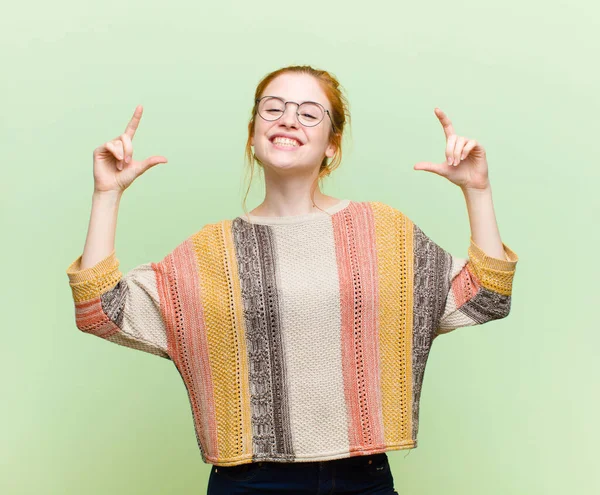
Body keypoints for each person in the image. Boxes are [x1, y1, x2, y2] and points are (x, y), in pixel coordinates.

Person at [65, 65, 519, 494]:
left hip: (362, 479)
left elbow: (488, 296)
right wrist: (107, 194)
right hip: (247, 482)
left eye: (308, 113)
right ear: (253, 134)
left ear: (331, 146)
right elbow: (100, 310)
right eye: (273, 107)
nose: (288, 120)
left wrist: (476, 190)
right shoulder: (210, 253)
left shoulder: (384, 233)